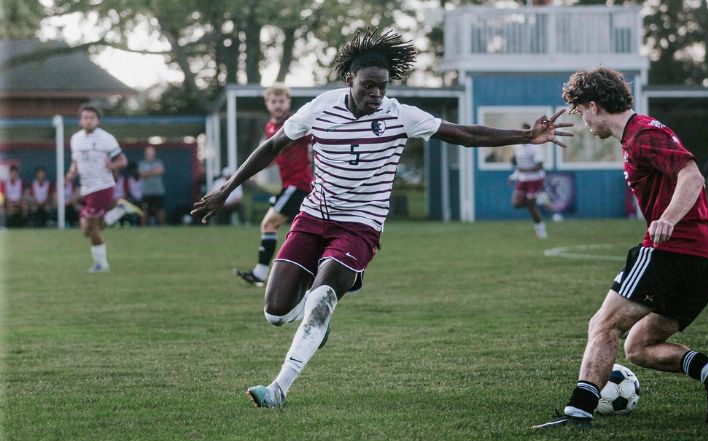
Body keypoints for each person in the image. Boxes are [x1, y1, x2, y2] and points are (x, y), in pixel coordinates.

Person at [191, 28, 573, 409]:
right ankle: (324, 309)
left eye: (382, 87)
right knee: (275, 314)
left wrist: (525, 136)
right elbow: (272, 147)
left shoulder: (399, 116)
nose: (376, 94)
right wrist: (226, 190)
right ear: (349, 81)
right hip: (312, 218)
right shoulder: (320, 108)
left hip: (360, 225)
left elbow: (465, 134)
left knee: (323, 296)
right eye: (368, 86)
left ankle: (278, 388)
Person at [533, 67, 708, 429]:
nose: (582, 120)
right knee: (639, 346)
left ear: (594, 106)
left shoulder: (642, 134)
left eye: (580, 112)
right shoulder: (639, 135)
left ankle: (578, 414)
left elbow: (692, 175)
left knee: (604, 323)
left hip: (674, 250)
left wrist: (669, 219)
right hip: (706, 261)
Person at [235, 83, 314, 287]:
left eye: (282, 101)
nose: (278, 105)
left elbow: (313, 138)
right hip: (289, 186)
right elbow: (273, 154)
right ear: (267, 104)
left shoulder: (295, 122)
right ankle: (265, 273)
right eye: (274, 101)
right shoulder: (270, 127)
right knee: (290, 229)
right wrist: (256, 169)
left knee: (269, 224)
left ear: (288, 103)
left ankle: (262, 273)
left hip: (300, 185)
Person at [67, 104, 128, 272]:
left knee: (92, 228)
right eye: (85, 118)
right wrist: (72, 172)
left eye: (91, 118)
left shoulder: (106, 138)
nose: (88, 121)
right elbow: (75, 162)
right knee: (87, 229)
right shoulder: (76, 139)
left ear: (98, 120)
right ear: (80, 120)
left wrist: (111, 165)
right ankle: (119, 211)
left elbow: (123, 161)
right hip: (85, 187)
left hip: (102, 186)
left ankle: (101, 265)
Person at [509, 125, 548, 238]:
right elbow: (519, 165)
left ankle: (541, 233)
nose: (523, 134)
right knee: (516, 204)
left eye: (525, 132)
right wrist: (514, 176)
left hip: (535, 179)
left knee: (531, 207)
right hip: (523, 178)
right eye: (521, 132)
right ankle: (540, 200)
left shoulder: (535, 147)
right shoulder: (517, 147)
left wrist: (524, 170)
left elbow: (540, 166)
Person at [139, 145, 167, 225]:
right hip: (146, 192)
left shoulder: (158, 162)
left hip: (158, 191)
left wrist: (148, 172)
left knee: (160, 210)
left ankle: (163, 227)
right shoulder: (142, 163)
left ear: (154, 154)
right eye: (148, 153)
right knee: (145, 210)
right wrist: (153, 171)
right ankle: (142, 228)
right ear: (145, 154)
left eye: (151, 153)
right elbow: (142, 174)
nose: (150, 155)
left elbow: (161, 171)